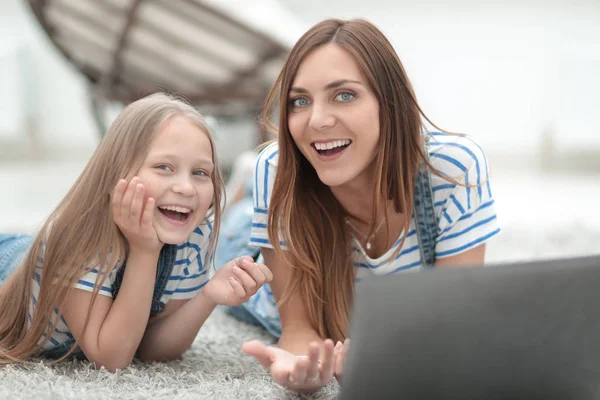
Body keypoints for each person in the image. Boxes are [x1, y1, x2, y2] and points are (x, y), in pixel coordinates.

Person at [216, 18, 500, 393]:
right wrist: (302, 365)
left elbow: (454, 329)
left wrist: (382, 361)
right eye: (300, 101)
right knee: (229, 257)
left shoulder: (452, 169)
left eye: (344, 95)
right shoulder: (278, 168)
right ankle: (246, 188)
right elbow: (299, 328)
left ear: (390, 100)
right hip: (251, 240)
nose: (317, 119)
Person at [0, 93, 272, 370]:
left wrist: (208, 296)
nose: (186, 187)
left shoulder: (196, 233)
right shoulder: (78, 235)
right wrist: (145, 251)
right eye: (164, 167)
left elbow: (149, 348)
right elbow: (111, 359)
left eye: (201, 173)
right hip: (9, 265)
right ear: (115, 172)